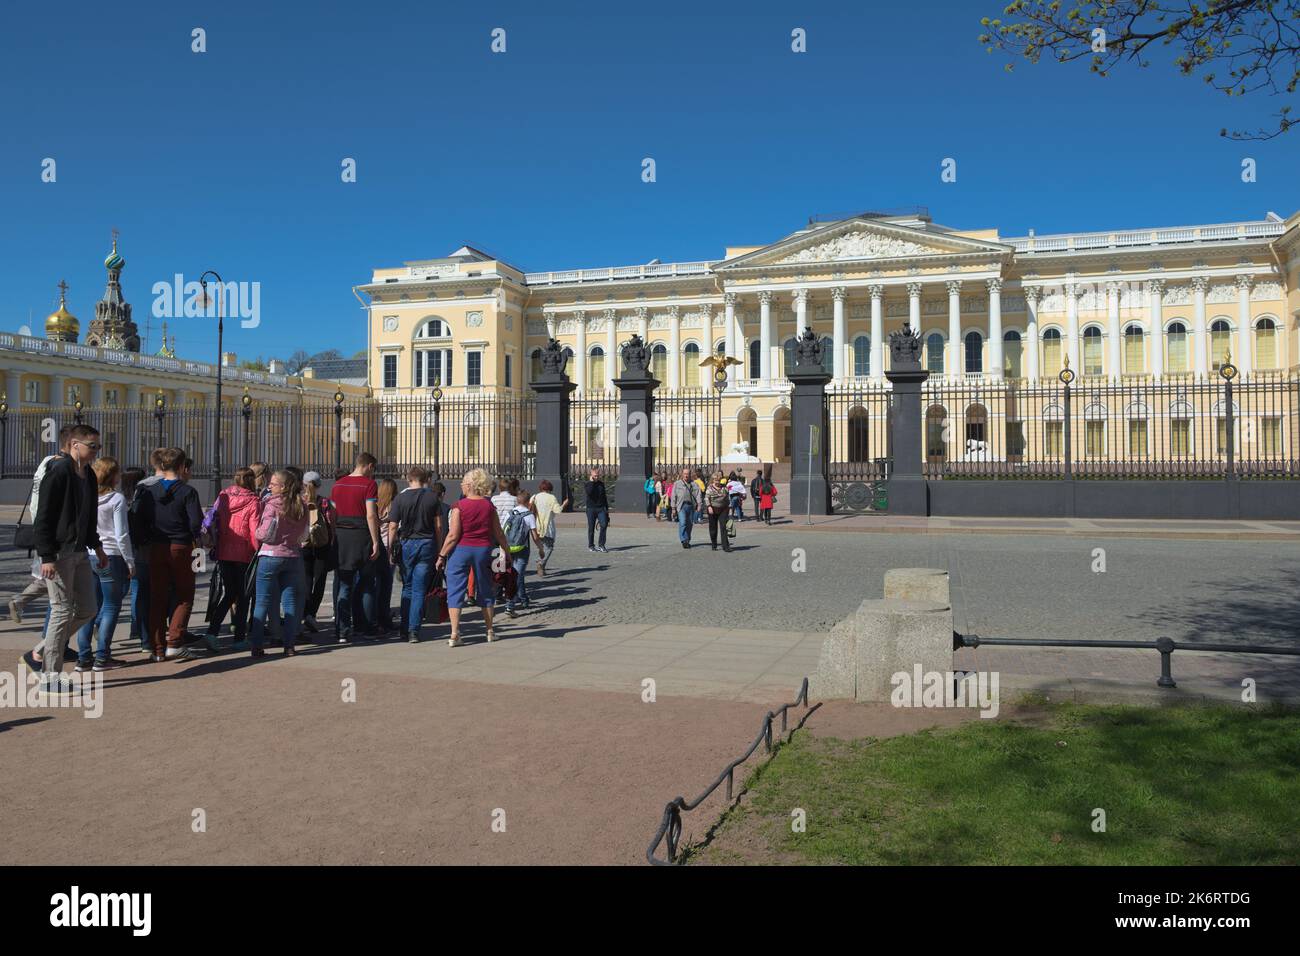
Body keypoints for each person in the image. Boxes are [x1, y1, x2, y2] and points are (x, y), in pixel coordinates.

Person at [23, 424, 108, 696]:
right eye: (92, 446)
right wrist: (46, 555)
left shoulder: (89, 476)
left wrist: (98, 546)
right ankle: (50, 677)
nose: (96, 451)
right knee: (60, 610)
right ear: (74, 445)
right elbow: (44, 516)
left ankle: (39, 650)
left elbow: (89, 515)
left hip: (81, 551)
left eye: (98, 446)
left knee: (87, 609)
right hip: (59, 553)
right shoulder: (59, 471)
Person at [137, 446, 205, 662]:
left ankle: (157, 648)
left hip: (157, 546)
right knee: (185, 595)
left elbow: (140, 519)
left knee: (157, 597)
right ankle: (174, 641)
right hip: (181, 545)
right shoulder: (187, 492)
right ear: (183, 466)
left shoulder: (149, 491)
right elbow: (196, 523)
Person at [435, 469, 511, 647]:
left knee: (455, 590)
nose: (461, 484)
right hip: (484, 550)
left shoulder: (458, 506)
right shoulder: (489, 506)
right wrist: (506, 551)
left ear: (469, 485)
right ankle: (490, 631)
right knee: (486, 588)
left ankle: (454, 634)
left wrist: (441, 555)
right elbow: (498, 533)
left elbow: (453, 535)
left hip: (461, 550)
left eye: (463, 481)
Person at [8, 424, 73, 629]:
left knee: (52, 581)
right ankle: (51, 637)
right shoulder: (63, 467)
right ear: (72, 443)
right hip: (54, 533)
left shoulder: (46, 462)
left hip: (43, 528)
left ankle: (21, 601)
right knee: (59, 585)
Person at [74, 456, 134, 671]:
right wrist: (130, 561)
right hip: (111, 555)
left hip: (89, 554)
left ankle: (83, 657)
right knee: (111, 606)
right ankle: (102, 656)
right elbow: (122, 534)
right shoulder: (116, 499)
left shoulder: (85, 496)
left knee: (90, 608)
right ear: (113, 476)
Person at [247, 469, 309, 658]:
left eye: (273, 484)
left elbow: (265, 533)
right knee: (290, 602)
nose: (269, 486)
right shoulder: (301, 505)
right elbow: (304, 534)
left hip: (270, 555)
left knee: (262, 601)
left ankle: (257, 646)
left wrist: (257, 532)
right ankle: (289, 645)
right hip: (292, 555)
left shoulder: (272, 505)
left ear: (282, 487)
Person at [204, 467, 260, 653]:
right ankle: (239, 638)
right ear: (252, 481)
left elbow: (212, 520)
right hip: (244, 553)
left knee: (228, 594)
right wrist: (257, 551)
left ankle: (212, 632)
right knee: (243, 596)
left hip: (224, 551)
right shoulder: (253, 501)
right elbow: (254, 532)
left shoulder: (223, 496)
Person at [330, 452, 382, 643]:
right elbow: (370, 515)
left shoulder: (338, 485)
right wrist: (376, 541)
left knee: (344, 584)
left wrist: (334, 536)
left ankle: (342, 631)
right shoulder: (369, 485)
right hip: (361, 535)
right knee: (368, 583)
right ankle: (368, 627)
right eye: (373, 469)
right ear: (368, 466)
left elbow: (333, 515)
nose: (372, 473)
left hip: (342, 536)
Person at [386, 467, 441, 643]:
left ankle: (404, 628)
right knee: (419, 589)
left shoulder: (400, 498)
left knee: (407, 587)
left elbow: (393, 525)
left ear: (409, 479)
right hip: (426, 543)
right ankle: (413, 631)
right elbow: (438, 526)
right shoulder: (433, 497)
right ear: (425, 479)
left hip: (407, 543)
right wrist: (440, 549)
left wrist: (390, 547)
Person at [300, 471, 335, 634]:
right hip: (322, 545)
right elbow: (330, 523)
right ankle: (311, 613)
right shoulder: (325, 502)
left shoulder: (300, 501)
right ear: (319, 484)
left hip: (304, 545)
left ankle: (304, 612)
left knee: (306, 579)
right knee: (319, 581)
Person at [364, 478, 399, 637]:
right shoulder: (393, 506)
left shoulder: (376, 505)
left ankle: (376, 615)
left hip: (376, 545)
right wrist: (391, 550)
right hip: (387, 547)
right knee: (386, 585)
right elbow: (393, 527)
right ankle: (383, 617)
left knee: (376, 583)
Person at [503, 489, 542, 617]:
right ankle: (510, 606)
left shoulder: (510, 513)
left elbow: (504, 531)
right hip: (522, 549)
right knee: (517, 576)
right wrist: (541, 549)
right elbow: (535, 536)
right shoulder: (529, 515)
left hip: (509, 548)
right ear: (527, 502)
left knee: (516, 576)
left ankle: (524, 599)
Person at [532, 479, 567, 577]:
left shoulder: (535, 497)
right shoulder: (551, 497)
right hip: (547, 526)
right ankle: (541, 563)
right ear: (550, 488)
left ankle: (542, 568)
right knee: (549, 547)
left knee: (541, 547)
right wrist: (564, 504)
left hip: (536, 525)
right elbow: (558, 510)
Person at [670, 467, 700, 549]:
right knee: (683, 523)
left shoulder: (694, 484)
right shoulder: (677, 484)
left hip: (691, 506)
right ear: (682, 474)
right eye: (685, 474)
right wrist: (673, 508)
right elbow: (673, 496)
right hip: (681, 506)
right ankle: (684, 540)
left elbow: (698, 495)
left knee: (689, 524)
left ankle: (687, 539)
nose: (686, 475)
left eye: (688, 474)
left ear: (690, 475)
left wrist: (699, 505)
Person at [704, 472, 733, 553]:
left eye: (719, 480)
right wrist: (709, 506)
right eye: (716, 480)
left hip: (723, 509)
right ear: (713, 480)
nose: (717, 482)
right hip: (713, 509)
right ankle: (714, 543)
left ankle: (726, 546)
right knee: (713, 528)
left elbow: (728, 498)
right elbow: (706, 498)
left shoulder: (724, 488)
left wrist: (729, 507)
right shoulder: (709, 488)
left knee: (723, 527)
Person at [584, 468, 609, 553]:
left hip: (601, 508)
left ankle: (601, 545)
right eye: (595, 475)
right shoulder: (587, 484)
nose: (596, 477)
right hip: (591, 509)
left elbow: (604, 497)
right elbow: (589, 493)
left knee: (604, 525)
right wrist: (591, 482)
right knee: (591, 528)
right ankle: (591, 545)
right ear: (591, 475)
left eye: (598, 475)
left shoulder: (601, 484)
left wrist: (607, 511)